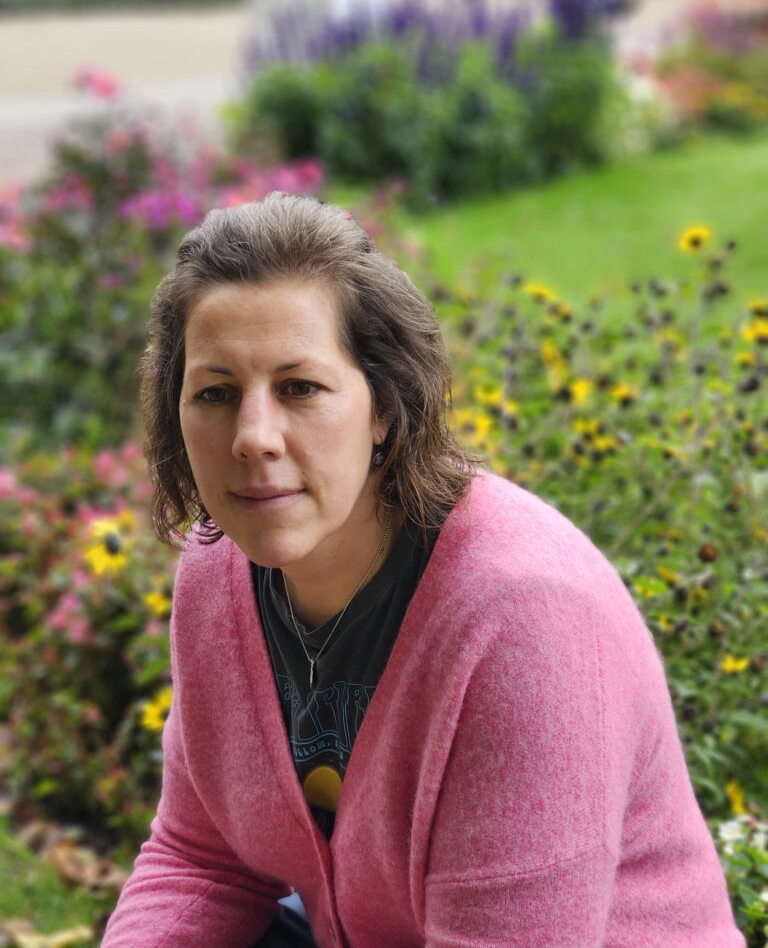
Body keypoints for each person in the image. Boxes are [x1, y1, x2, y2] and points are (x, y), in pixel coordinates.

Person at [102, 193, 745, 948]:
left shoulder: (524, 619)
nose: (253, 437)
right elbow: (202, 860)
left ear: (383, 406)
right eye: (215, 393)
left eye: (300, 388)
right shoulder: (218, 572)